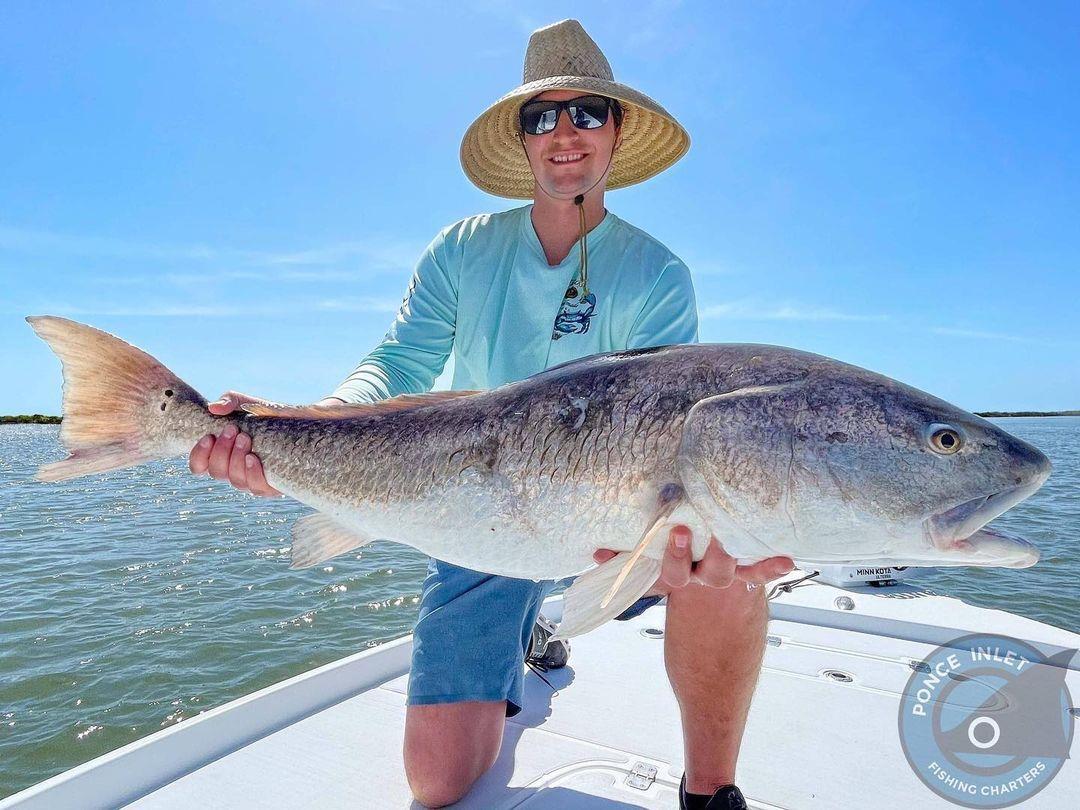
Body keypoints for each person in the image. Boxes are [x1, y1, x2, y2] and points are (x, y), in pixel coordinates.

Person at [189, 19, 793, 810]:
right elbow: (399, 364)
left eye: (586, 113)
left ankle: (710, 790)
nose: (564, 133)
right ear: (523, 141)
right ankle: (524, 632)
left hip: (616, 516)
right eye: (541, 117)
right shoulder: (461, 248)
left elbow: (662, 409)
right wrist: (309, 424)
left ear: (616, 133)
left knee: (725, 570)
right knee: (438, 783)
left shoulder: (657, 274)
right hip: (480, 516)